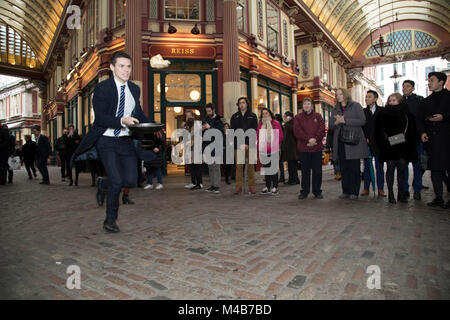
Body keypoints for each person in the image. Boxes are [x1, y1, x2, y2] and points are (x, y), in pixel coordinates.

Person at [71, 51, 150, 233]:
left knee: (130, 180)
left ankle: (102, 184)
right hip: (106, 140)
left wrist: (153, 125)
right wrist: (122, 120)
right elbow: (100, 118)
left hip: (125, 141)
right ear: (112, 67)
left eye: (128, 66)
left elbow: (137, 114)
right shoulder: (102, 89)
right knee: (117, 181)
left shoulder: (134, 89)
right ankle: (110, 221)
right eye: (121, 66)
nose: (126, 70)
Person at [374, 93, 418, 204]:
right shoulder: (382, 114)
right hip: (389, 147)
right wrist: (383, 143)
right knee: (390, 170)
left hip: (403, 148)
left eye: (394, 100)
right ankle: (391, 194)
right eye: (390, 100)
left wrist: (411, 147)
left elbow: (413, 133)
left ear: (400, 101)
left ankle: (401, 193)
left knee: (402, 171)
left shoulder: (407, 115)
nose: (391, 102)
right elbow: (377, 132)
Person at [416, 72, 450, 208]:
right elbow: (419, 119)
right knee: (435, 170)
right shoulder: (426, 101)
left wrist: (444, 117)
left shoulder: (449, 97)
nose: (429, 83)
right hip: (432, 140)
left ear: (441, 82)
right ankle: (438, 197)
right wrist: (422, 132)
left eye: (432, 80)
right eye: (428, 80)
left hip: (447, 139)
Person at [328, 88, 368, 200]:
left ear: (345, 95)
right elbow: (331, 126)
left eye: (340, 94)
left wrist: (345, 120)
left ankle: (354, 191)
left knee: (354, 168)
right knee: (344, 168)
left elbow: (362, 121)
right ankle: (346, 190)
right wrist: (336, 122)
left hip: (352, 141)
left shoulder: (355, 106)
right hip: (340, 142)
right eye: (337, 95)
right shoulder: (335, 109)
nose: (338, 96)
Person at [293, 97, 325, 199]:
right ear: (302, 106)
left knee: (317, 171)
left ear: (312, 105)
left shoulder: (318, 116)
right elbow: (297, 131)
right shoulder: (298, 117)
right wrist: (308, 140)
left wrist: (314, 139)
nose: (306, 105)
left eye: (308, 103)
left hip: (316, 148)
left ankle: (317, 191)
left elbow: (322, 130)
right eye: (304, 104)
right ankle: (304, 191)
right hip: (304, 148)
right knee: (305, 171)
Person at [402, 80, 425, 200]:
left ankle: (417, 189)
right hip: (403, 139)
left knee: (417, 164)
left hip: (416, 137)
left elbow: (422, 119)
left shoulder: (419, 101)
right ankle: (404, 189)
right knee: (403, 164)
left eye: (408, 86)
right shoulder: (398, 101)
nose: (405, 88)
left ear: (413, 88)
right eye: (403, 86)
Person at [230, 97, 258, 195]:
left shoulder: (253, 116)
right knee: (239, 167)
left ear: (247, 104)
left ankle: (252, 187)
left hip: (250, 145)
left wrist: (247, 143)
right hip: (238, 145)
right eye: (240, 103)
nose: (241, 105)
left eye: (243, 103)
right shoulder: (234, 116)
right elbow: (232, 132)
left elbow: (254, 131)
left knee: (250, 166)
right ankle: (238, 187)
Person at [361, 90, 385, 197]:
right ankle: (366, 188)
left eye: (369, 97)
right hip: (367, 143)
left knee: (379, 167)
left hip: (379, 144)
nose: (367, 99)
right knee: (366, 166)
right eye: (366, 97)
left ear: (375, 99)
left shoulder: (382, 111)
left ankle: (380, 189)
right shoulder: (363, 112)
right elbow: (361, 127)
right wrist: (365, 138)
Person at [257, 107, 283, 195]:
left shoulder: (275, 124)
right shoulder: (260, 124)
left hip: (274, 149)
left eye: (266, 113)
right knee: (266, 169)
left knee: (274, 169)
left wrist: (273, 144)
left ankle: (275, 187)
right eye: (263, 113)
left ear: (270, 114)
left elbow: (280, 136)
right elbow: (257, 136)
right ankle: (268, 186)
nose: (264, 115)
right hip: (264, 150)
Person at [203, 103, 224, 194]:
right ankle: (212, 185)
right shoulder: (206, 119)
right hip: (208, 146)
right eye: (207, 111)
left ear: (213, 110)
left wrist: (210, 127)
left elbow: (220, 133)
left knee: (216, 167)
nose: (208, 112)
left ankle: (217, 186)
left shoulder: (219, 119)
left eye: (209, 111)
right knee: (210, 167)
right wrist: (203, 129)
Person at [183, 111, 201, 189]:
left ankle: (199, 183)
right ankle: (193, 182)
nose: (188, 117)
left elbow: (195, 136)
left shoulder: (197, 124)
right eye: (186, 116)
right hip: (190, 148)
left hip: (196, 148)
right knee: (192, 166)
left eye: (189, 116)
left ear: (193, 116)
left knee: (197, 166)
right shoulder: (188, 125)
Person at [282, 111, 300, 185]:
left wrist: (286, 123)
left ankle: (295, 180)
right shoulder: (288, 124)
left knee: (293, 166)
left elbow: (293, 131)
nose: (284, 118)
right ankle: (291, 179)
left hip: (293, 148)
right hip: (289, 148)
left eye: (285, 116)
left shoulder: (293, 123)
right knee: (290, 165)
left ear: (289, 117)